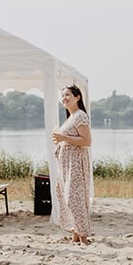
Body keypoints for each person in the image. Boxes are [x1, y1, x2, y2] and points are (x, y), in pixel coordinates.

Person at [51, 84, 93, 245]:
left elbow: (87, 141)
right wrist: (60, 140)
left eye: (68, 95)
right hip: (66, 164)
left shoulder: (80, 116)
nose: (64, 98)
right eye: (63, 96)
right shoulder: (71, 117)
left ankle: (83, 236)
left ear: (77, 97)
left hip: (76, 164)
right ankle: (75, 234)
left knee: (74, 199)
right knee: (66, 197)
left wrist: (64, 138)